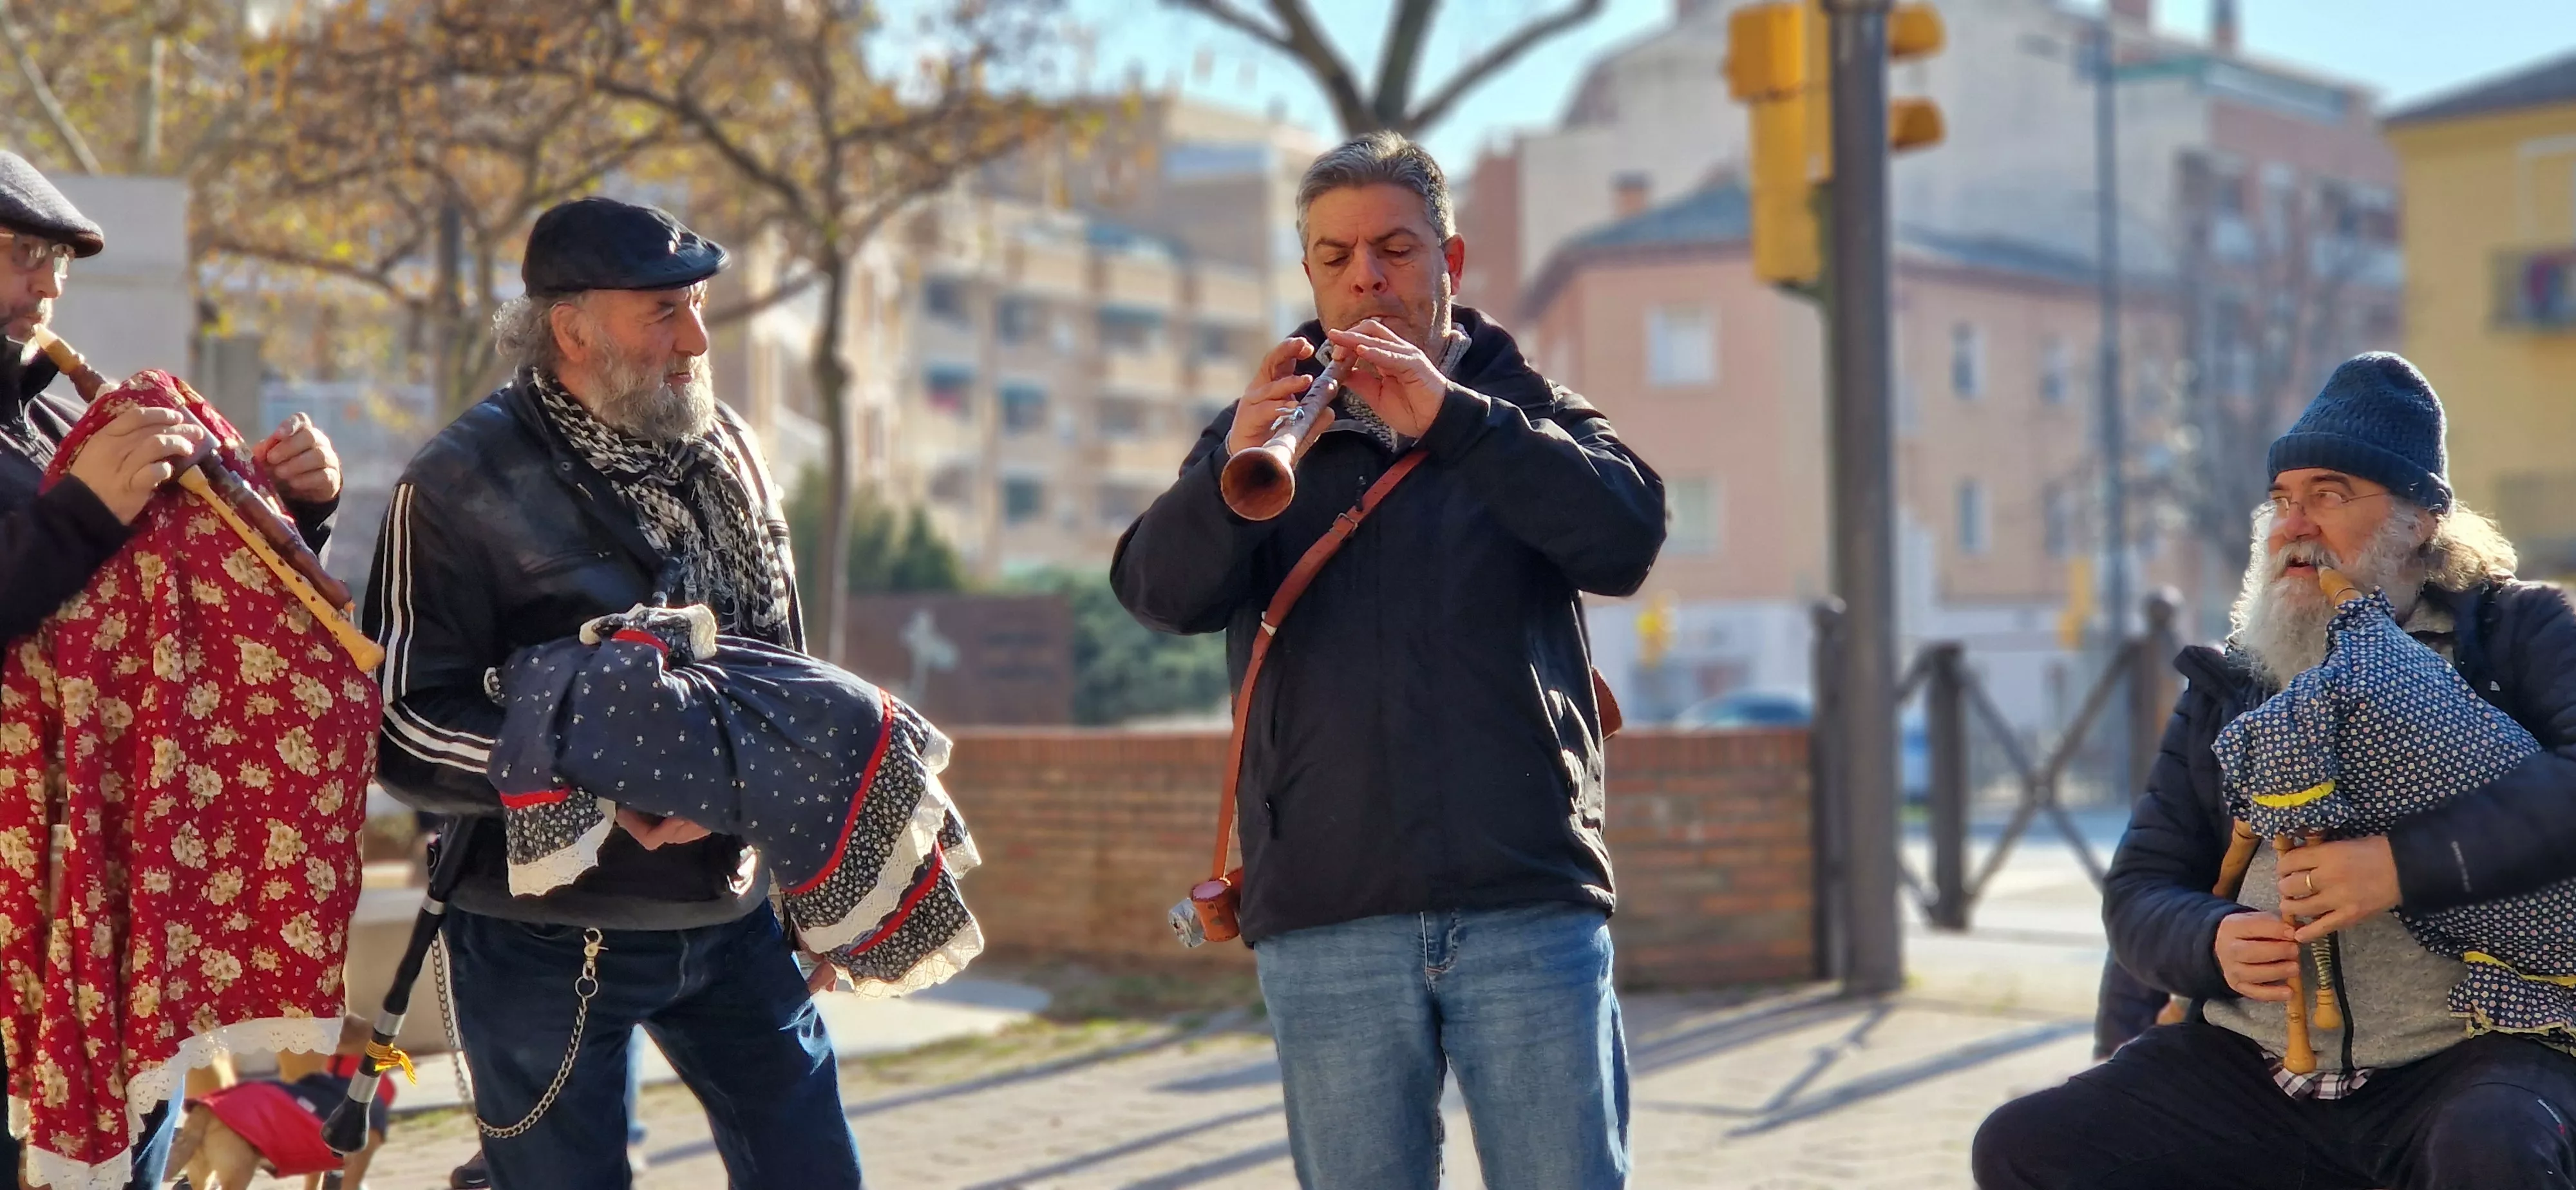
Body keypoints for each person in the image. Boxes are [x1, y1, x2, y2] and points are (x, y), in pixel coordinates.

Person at [1112, 133, 1665, 1189]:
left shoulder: (1523, 408)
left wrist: (1456, 424)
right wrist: (1231, 472)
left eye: (1395, 249)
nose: (1365, 275)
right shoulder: (1264, 422)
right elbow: (1156, 594)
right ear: (1312, 273)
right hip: (1327, 906)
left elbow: (1625, 538)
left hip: (1526, 899)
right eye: (1334, 256)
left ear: (1448, 265)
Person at [1973, 353, 2576, 1189]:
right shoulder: (2237, 676)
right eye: (2284, 498)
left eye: (2329, 494)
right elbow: (2142, 886)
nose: (2294, 523)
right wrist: (2209, 941)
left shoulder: (2519, 634)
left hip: (2473, 1050)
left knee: (2494, 1148)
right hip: (2258, 1064)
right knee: (2027, 1143)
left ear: (2423, 517)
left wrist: (2397, 867)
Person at [363, 196, 858, 1189]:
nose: (698, 339)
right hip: (542, 938)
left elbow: (788, 676)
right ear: (572, 327)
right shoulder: (457, 482)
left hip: (734, 916)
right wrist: (605, 791)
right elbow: (406, 727)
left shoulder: (739, 457)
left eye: (699, 304)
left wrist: (817, 882)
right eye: (664, 312)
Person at [0, 149, 341, 1189]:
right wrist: (78, 518)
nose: (47, 286)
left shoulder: (60, 413)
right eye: (19, 254)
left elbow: (161, 623)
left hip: (99, 888)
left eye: (56, 260)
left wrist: (294, 517)